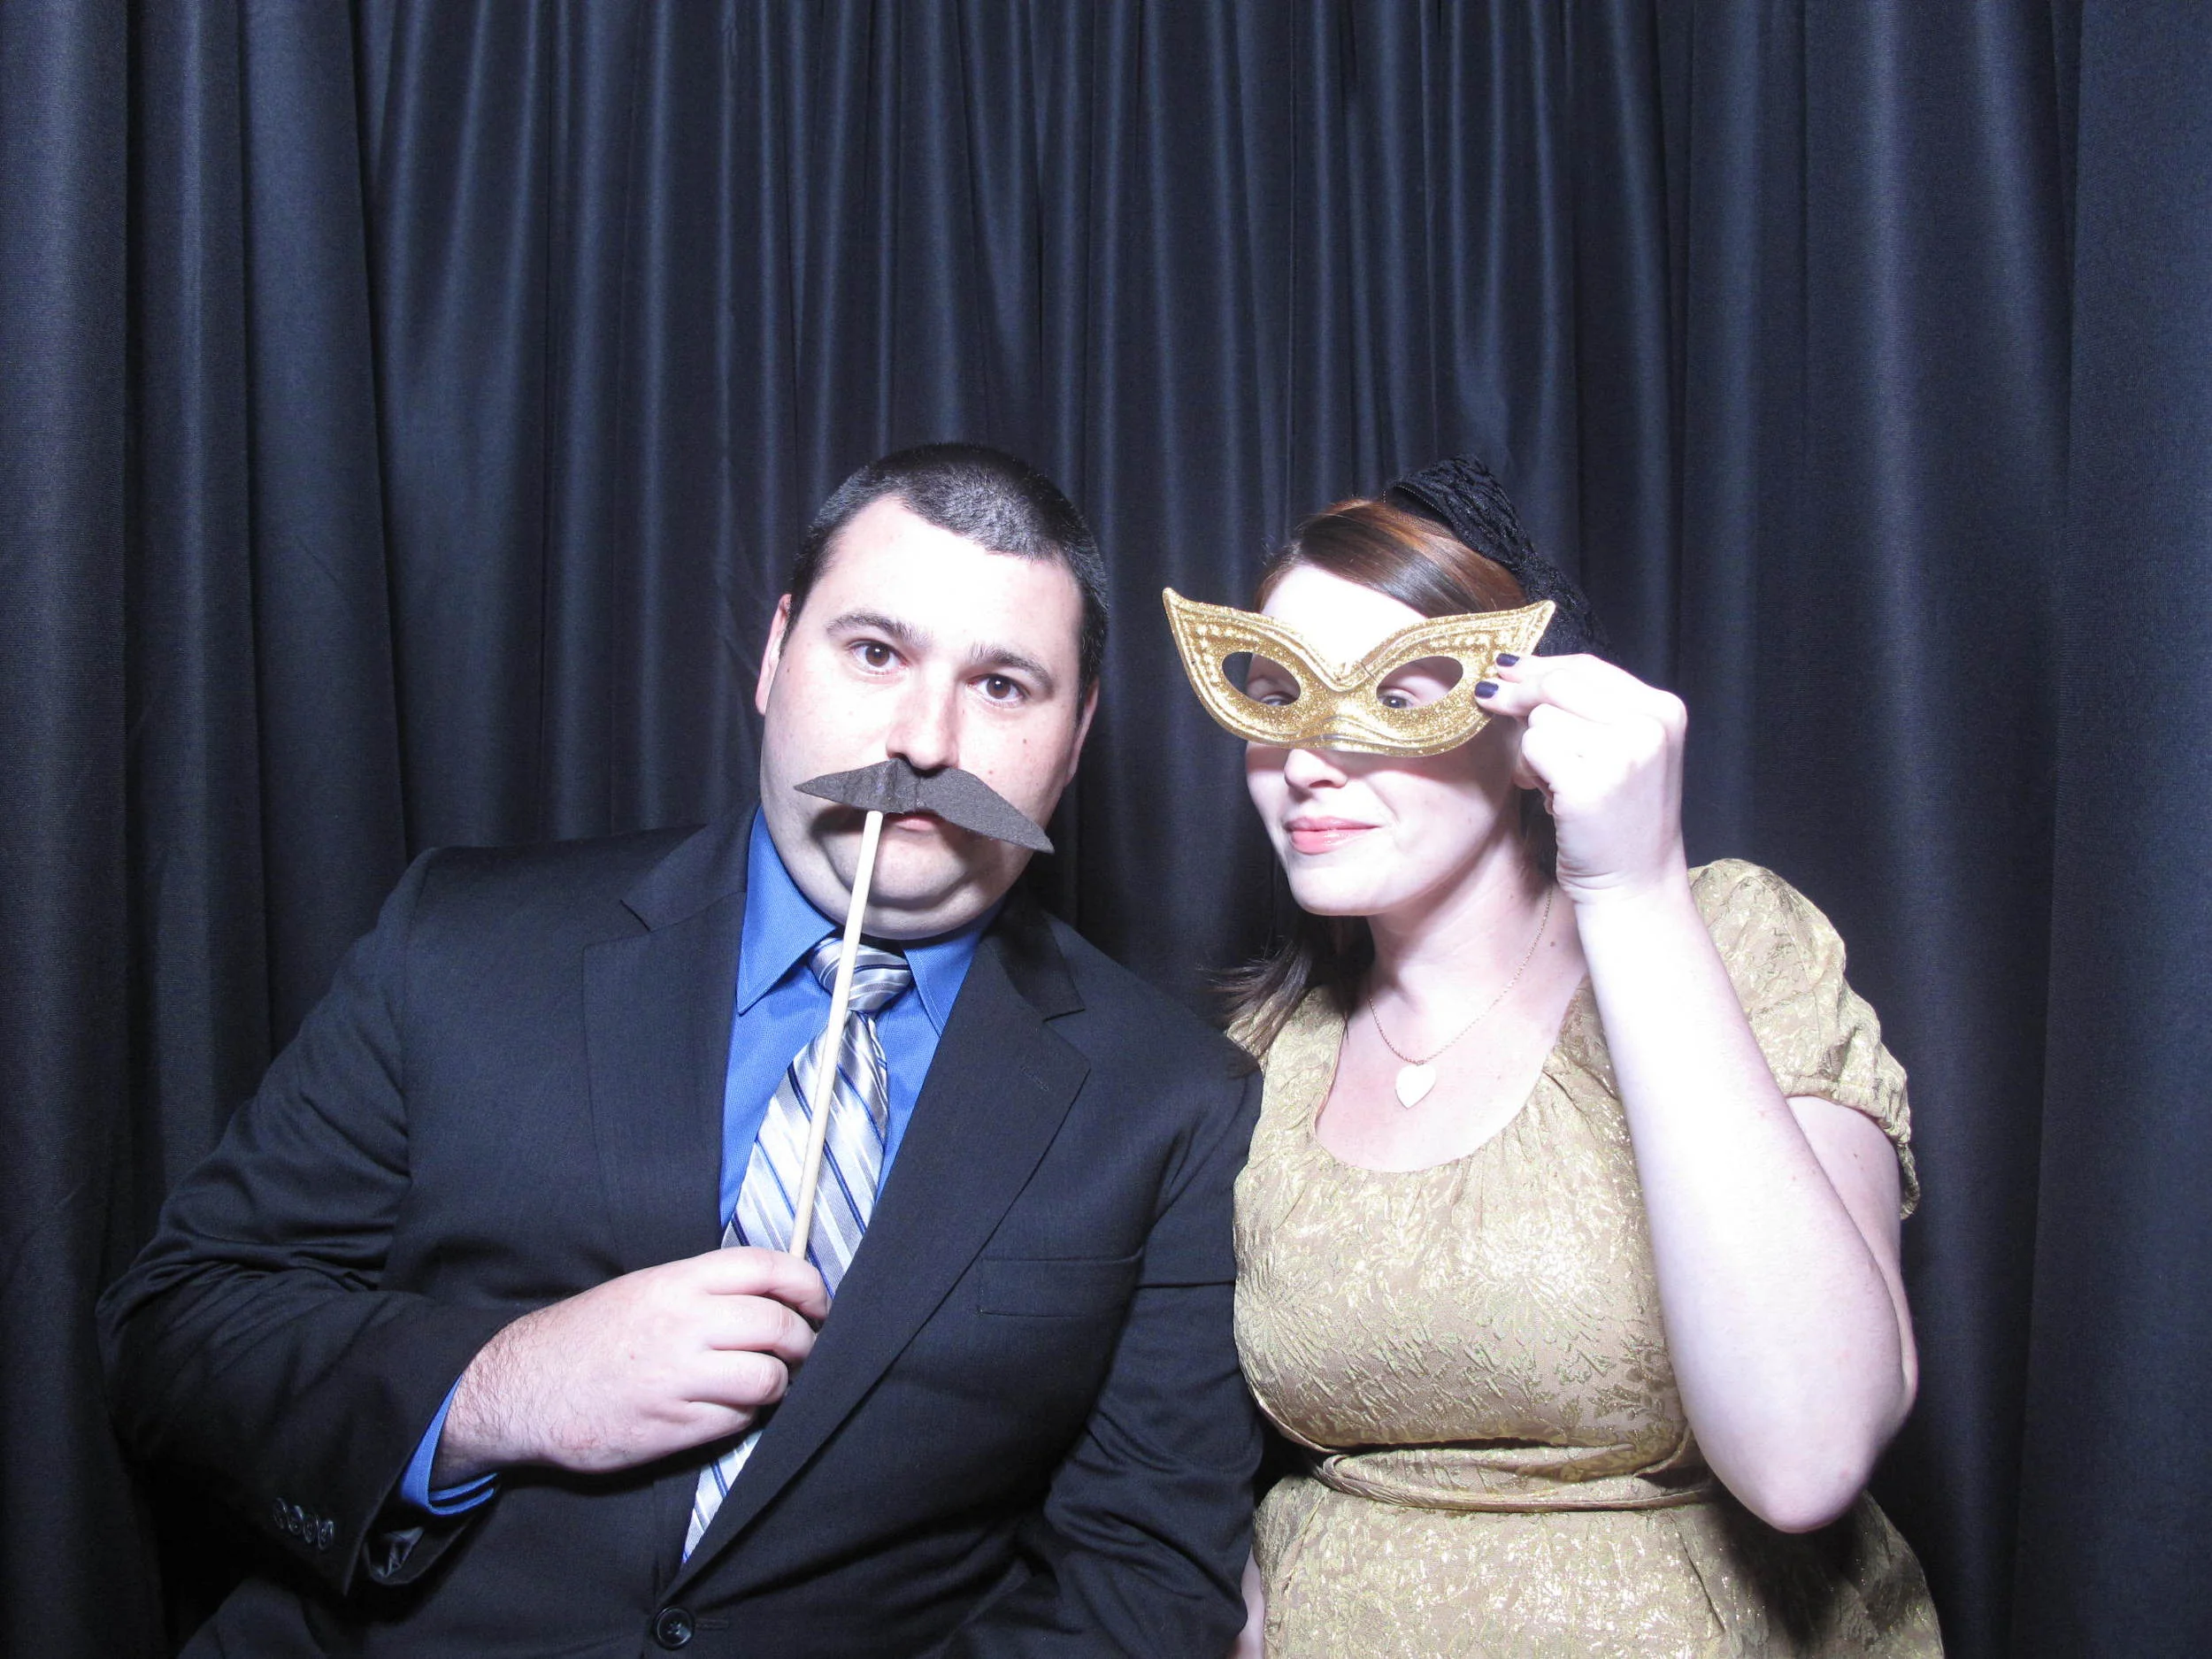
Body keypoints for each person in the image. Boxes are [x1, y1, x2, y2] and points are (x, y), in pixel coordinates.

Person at [100, 443, 1263, 1656]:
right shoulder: (459, 941)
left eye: (1004, 685)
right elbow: (175, 1327)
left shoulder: (1173, 1103)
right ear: (773, 656)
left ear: (1075, 739)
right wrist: (503, 1384)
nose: (925, 742)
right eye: (876, 652)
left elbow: (1141, 1576)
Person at [1171, 457, 1942, 1655]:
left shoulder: (1731, 941)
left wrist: (1630, 892)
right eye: (1275, 695)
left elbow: (1807, 1451)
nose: (1310, 760)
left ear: (1529, 720)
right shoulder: (1254, 1062)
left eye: (1398, 693)